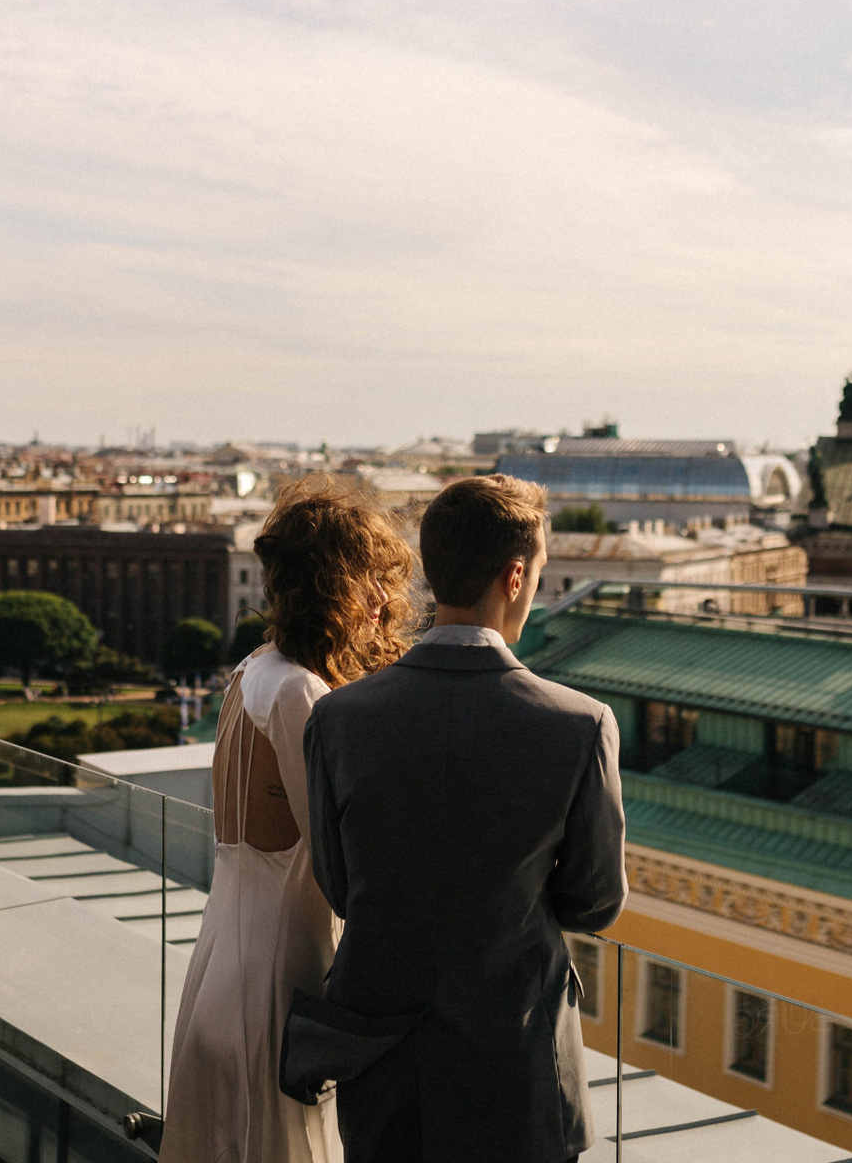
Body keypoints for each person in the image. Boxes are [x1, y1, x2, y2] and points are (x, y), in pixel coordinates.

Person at [303, 474, 627, 1162]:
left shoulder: (337, 719)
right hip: (518, 1068)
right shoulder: (580, 725)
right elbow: (595, 902)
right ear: (515, 576)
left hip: (383, 1065)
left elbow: (342, 887)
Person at [161, 477, 418, 1163]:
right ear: (335, 587)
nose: (383, 600)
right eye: (371, 580)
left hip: (222, 966)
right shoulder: (303, 694)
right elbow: (344, 870)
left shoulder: (253, 670)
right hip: (280, 989)